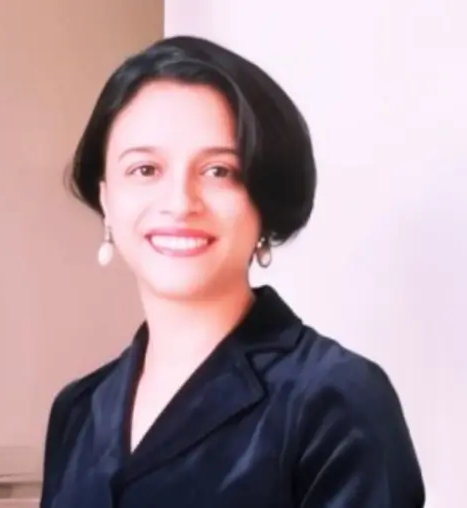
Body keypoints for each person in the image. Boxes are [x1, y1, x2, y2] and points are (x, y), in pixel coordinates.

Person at [40, 35, 425, 508]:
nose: (180, 202)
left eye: (219, 171)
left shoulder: (334, 398)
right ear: (106, 197)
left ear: (264, 198)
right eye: (145, 170)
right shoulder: (77, 410)